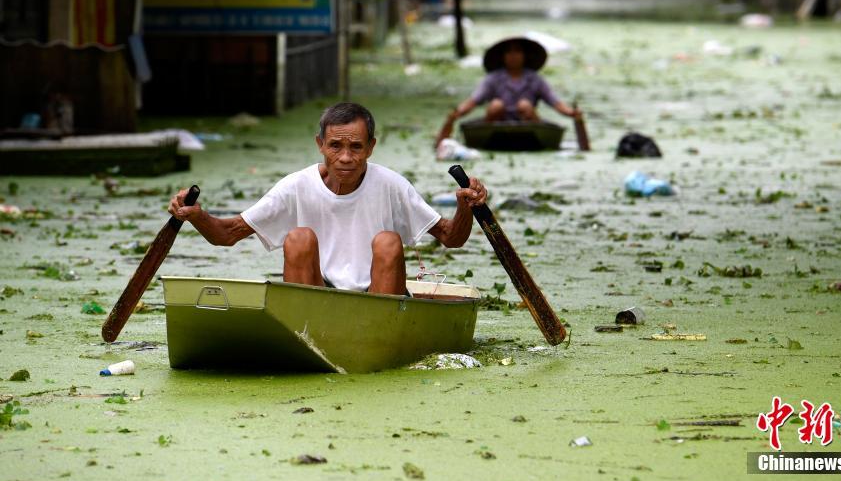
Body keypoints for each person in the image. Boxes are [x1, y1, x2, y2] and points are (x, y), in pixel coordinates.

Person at [168, 102, 487, 296]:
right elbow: (227, 234)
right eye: (336, 146)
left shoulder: (391, 185)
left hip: (380, 300)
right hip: (319, 298)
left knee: (389, 241)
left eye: (356, 147)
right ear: (320, 144)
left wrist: (465, 207)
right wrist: (196, 215)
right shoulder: (296, 186)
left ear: (371, 147)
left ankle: (381, 332)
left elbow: (451, 237)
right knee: (299, 239)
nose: (346, 157)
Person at [449, 36, 580, 123]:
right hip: (499, 121)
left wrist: (571, 113)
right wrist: (457, 112)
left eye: (517, 51)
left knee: (525, 105)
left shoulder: (535, 79)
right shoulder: (493, 79)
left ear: (524, 55)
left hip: (527, 122)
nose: (513, 56)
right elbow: (473, 101)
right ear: (503, 56)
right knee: (496, 105)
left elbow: (555, 102)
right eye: (509, 52)